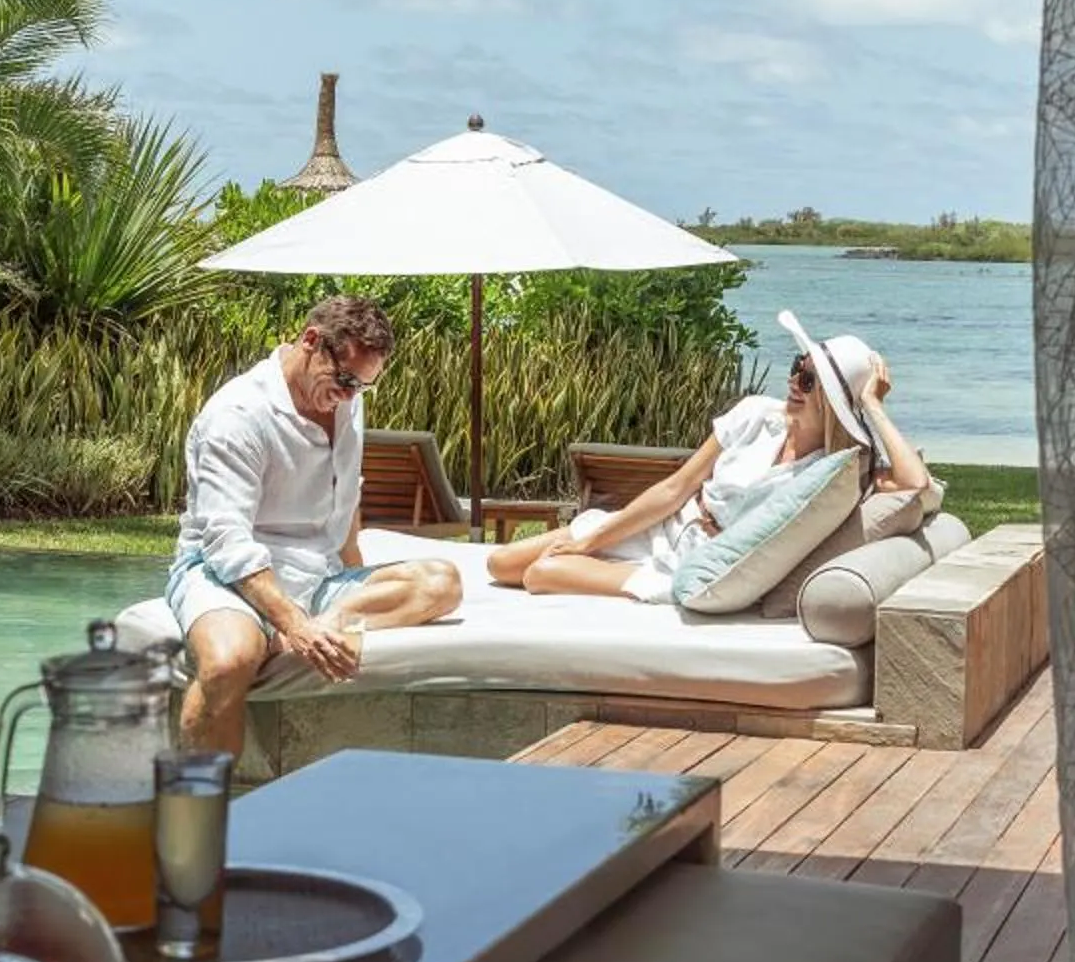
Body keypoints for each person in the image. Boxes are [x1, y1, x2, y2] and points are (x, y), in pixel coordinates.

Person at [166, 294, 463, 754]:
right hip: (226, 575)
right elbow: (226, 542)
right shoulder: (238, 416)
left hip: (317, 576)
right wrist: (295, 623)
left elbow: (346, 500)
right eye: (344, 379)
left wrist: (352, 582)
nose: (348, 396)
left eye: (362, 386)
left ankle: (298, 630)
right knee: (228, 663)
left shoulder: (344, 401)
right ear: (310, 341)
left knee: (439, 582)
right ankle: (198, 814)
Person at [486, 310, 932, 601]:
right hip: (662, 528)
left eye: (811, 382)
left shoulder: (832, 471)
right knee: (500, 563)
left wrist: (873, 405)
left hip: (690, 565)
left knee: (540, 574)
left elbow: (916, 485)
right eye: (798, 369)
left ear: (836, 404)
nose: (795, 383)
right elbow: (676, 488)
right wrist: (591, 540)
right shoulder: (756, 414)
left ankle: (635, 586)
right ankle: (599, 558)